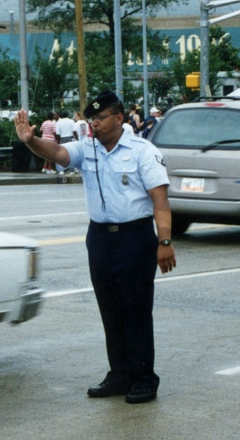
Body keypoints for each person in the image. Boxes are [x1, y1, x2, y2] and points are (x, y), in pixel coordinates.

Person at [13, 90, 176, 404]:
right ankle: (119, 375)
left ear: (118, 118)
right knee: (110, 308)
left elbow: (161, 202)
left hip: (135, 237)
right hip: (100, 238)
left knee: (136, 310)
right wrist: (30, 140)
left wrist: (164, 241)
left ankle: (144, 378)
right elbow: (58, 153)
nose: (94, 124)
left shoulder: (143, 151)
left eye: (100, 118)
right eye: (92, 119)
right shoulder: (87, 149)